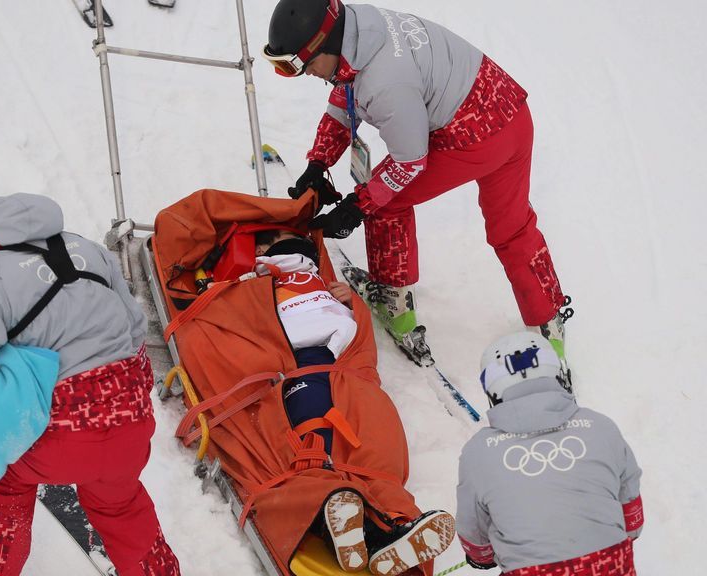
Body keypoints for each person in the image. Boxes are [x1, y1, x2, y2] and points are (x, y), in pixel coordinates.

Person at [263, 0, 571, 365]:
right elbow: (346, 91)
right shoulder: (359, 30)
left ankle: (395, 308)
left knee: (386, 202)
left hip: (472, 134)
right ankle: (549, 325)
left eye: (307, 65)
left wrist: (356, 207)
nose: (309, 74)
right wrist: (319, 162)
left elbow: (409, 163)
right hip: (512, 115)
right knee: (512, 227)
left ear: (325, 44)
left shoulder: (385, 79)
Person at [0, 181, 180, 575]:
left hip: (57, 441)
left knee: (1, 486)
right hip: (131, 426)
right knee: (121, 506)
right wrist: (119, 407)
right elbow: (135, 331)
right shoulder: (87, 248)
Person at [254, 229, 454, 575]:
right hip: (313, 370)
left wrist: (351, 303)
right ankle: (371, 527)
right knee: (333, 459)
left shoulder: (318, 285)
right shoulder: (257, 282)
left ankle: (381, 529)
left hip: (342, 374)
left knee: (362, 461)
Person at [455, 332, 644, 575]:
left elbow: (474, 529)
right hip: (610, 563)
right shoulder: (600, 426)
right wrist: (625, 532)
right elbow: (630, 502)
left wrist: (482, 556)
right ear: (557, 375)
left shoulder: (477, 453)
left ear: (493, 394)